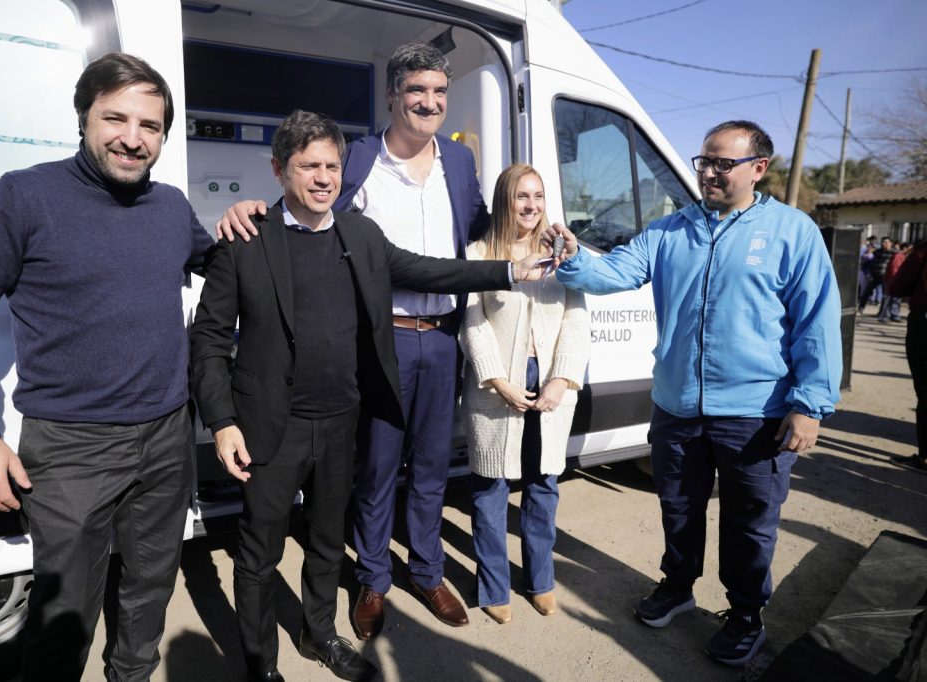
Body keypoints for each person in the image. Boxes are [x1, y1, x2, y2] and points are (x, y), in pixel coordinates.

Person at [190, 110, 548, 682]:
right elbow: (208, 339)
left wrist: (510, 270)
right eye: (309, 166)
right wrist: (223, 421)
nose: (323, 178)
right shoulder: (246, 240)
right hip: (270, 427)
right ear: (279, 170)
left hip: (341, 422)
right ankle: (261, 666)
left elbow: (428, 271)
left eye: (332, 166)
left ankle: (319, 633)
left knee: (327, 543)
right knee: (258, 555)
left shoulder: (360, 235)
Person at [0, 53, 251, 680]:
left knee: (149, 595)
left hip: (166, 436)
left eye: (150, 126)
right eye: (115, 118)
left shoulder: (169, 207)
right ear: (83, 118)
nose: (133, 138)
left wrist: (243, 225)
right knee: (64, 615)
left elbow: (221, 267)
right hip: (70, 447)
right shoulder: (22, 197)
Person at [215, 41, 492, 639]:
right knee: (377, 468)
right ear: (392, 96)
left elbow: (475, 231)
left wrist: (526, 245)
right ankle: (373, 577)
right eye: (416, 90)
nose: (429, 102)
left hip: (443, 336)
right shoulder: (360, 157)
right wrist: (254, 214)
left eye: (439, 91)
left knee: (432, 467)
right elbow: (310, 213)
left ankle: (428, 571)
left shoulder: (460, 160)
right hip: (383, 339)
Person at [548, 120, 842, 666]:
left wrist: (809, 405)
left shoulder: (791, 232)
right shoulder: (670, 231)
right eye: (704, 161)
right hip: (677, 405)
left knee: (749, 523)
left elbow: (817, 322)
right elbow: (614, 273)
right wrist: (574, 259)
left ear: (758, 168)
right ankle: (678, 586)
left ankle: (746, 614)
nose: (708, 172)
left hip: (756, 412)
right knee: (678, 507)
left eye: (722, 163)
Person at [458, 164, 589, 625]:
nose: (531, 206)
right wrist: (497, 379)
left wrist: (562, 378)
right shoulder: (479, 254)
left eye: (537, 196)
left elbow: (577, 320)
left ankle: (540, 580)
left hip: (549, 379)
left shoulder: (561, 255)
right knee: (490, 489)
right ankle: (494, 587)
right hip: (497, 385)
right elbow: (472, 323)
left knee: (543, 484)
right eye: (521, 196)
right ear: (504, 201)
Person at [888, 240, 927, 472]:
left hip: (924, 325)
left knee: (925, 393)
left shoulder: (922, 253)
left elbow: (896, 287)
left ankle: (924, 458)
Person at [878, 241, 910, 322]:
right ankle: (884, 316)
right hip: (892, 280)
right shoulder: (899, 256)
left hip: (894, 280)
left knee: (895, 298)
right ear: (905, 248)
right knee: (888, 298)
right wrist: (895, 280)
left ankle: (894, 315)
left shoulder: (901, 256)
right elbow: (894, 268)